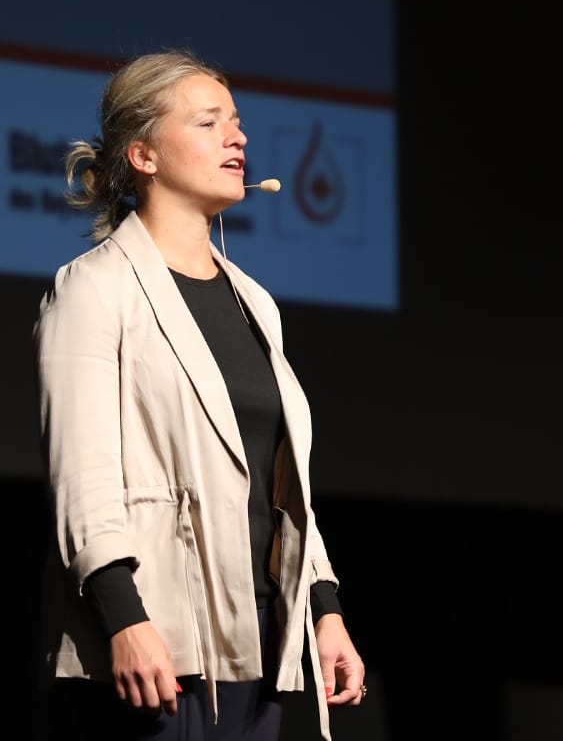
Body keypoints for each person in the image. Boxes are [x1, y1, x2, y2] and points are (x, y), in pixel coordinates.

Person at [33, 48, 366, 741]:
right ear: (145, 156)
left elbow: (279, 480)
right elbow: (82, 478)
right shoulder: (94, 289)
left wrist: (322, 608)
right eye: (211, 122)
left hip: (256, 641)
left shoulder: (255, 303)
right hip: (157, 645)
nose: (238, 138)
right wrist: (123, 617)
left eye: (237, 122)